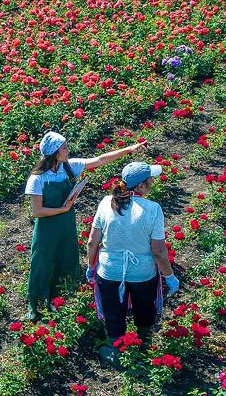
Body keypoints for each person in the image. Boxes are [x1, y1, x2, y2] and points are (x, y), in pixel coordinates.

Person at [23, 131, 145, 321]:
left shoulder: (69, 167)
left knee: (66, 259)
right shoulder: (38, 178)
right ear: (55, 152)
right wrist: (63, 209)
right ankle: (36, 306)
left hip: (66, 224)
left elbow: (99, 160)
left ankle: (59, 301)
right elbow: (38, 211)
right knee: (42, 263)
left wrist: (129, 149)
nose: (67, 150)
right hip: (47, 228)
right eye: (64, 147)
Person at [85, 161, 180, 364]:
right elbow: (159, 251)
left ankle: (117, 351)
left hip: (109, 271)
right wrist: (169, 276)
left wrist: (91, 266)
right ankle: (144, 346)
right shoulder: (152, 209)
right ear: (140, 186)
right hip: (142, 273)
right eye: (150, 179)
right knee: (144, 308)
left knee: (113, 311)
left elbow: (93, 241)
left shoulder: (105, 203)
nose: (153, 181)